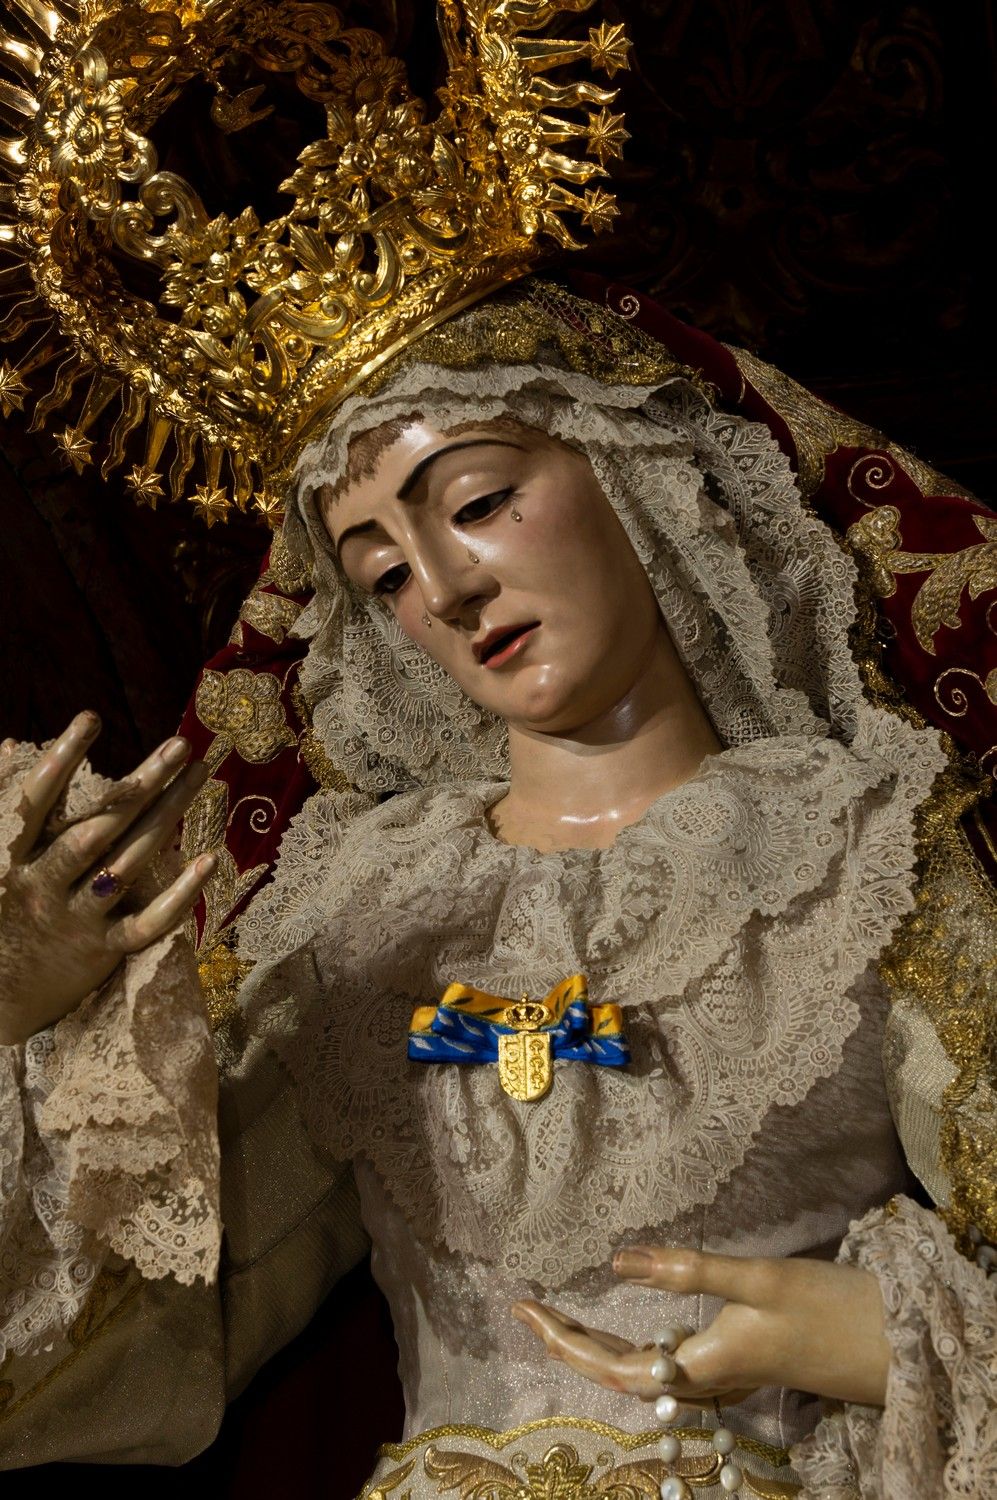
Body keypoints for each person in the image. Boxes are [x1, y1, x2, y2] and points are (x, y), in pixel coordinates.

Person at [0, 2, 994, 1495]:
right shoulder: (362, 910)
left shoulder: (860, 850)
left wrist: (874, 1338)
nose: (447, 588)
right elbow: (124, 1347)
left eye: (475, 502)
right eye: (380, 574)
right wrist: (23, 1027)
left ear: (639, 477)